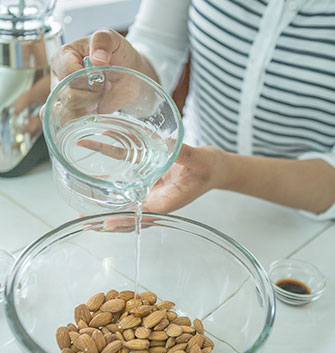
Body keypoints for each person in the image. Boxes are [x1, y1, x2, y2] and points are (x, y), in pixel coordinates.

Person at [50, 0, 335, 219]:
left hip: (306, 213)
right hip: (182, 179)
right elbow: (159, 43)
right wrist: (128, 75)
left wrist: (224, 171)